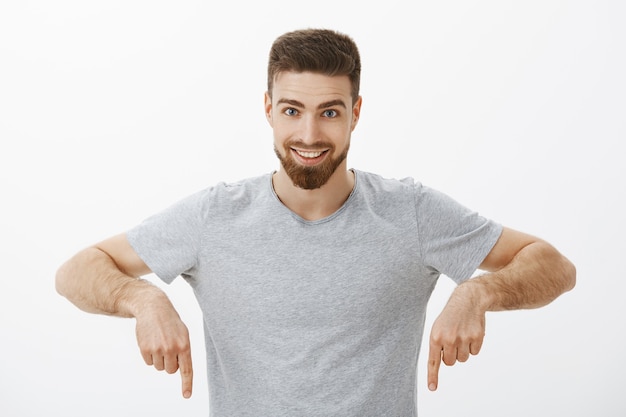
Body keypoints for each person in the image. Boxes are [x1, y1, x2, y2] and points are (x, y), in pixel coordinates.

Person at [56, 28, 576, 416]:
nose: (308, 134)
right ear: (267, 110)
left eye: (329, 112)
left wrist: (477, 294)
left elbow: (553, 265)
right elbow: (77, 271)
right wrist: (144, 298)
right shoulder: (214, 216)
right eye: (291, 111)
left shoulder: (411, 212)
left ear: (356, 111)